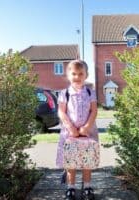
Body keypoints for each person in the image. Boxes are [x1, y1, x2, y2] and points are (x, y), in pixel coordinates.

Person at [56, 59, 99, 200]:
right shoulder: (64, 93)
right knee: (71, 163)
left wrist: (86, 127)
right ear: (68, 76)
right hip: (70, 134)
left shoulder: (90, 92)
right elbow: (61, 112)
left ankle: (87, 187)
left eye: (81, 74)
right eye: (73, 74)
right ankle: (71, 188)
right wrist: (70, 128)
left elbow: (94, 111)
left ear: (86, 75)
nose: (77, 77)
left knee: (87, 162)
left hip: (88, 133)